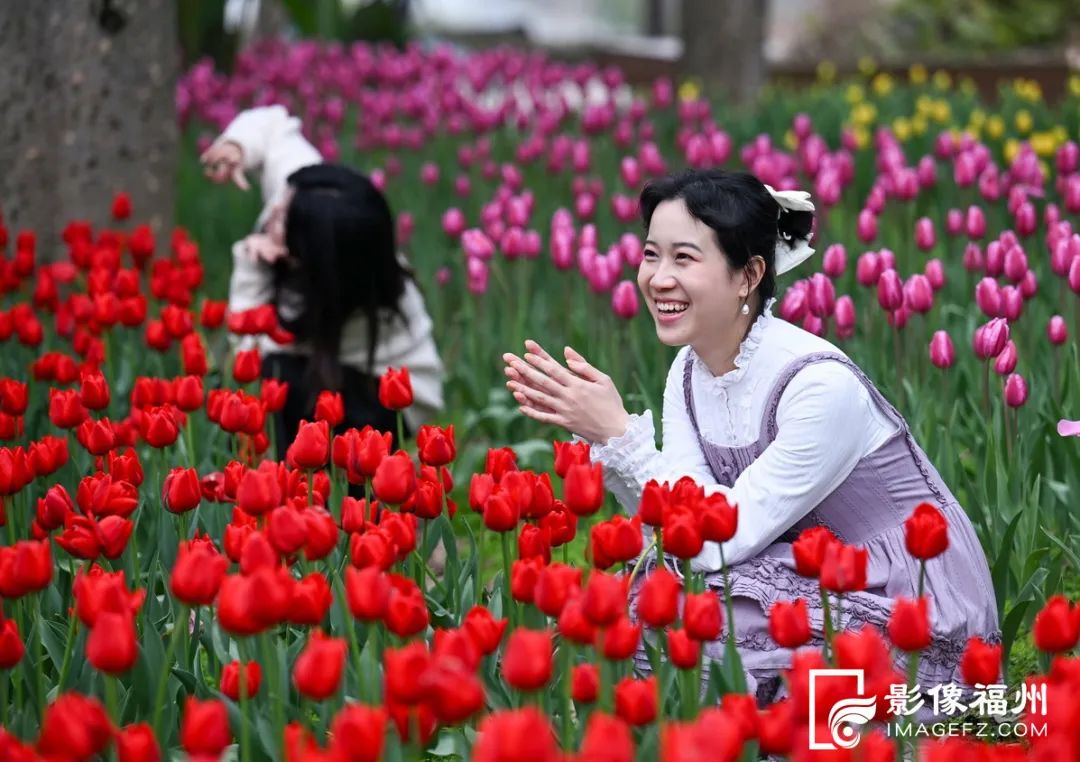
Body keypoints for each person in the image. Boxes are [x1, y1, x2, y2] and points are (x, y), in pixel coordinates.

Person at [502, 169, 999, 702]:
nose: (658, 278)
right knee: (648, 602)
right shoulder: (689, 372)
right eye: (651, 255)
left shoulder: (817, 385)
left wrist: (619, 432)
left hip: (906, 592)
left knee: (675, 625)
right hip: (791, 566)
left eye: (684, 258)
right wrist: (608, 437)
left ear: (749, 274)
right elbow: (686, 532)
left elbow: (724, 538)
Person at [201, 105, 444, 451]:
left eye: (282, 219)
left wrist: (250, 266)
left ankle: (326, 490)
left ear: (306, 257)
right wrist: (238, 145)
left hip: (381, 395)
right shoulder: (309, 195)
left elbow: (249, 351)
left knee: (279, 378)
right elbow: (275, 126)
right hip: (318, 366)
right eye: (283, 201)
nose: (274, 211)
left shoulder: (355, 289)